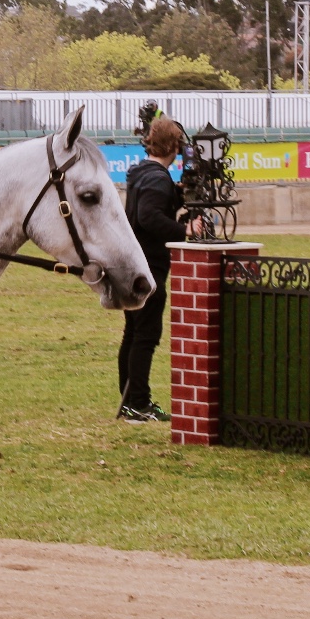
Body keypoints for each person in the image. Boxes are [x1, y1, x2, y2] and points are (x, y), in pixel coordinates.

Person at [118, 115, 185, 423]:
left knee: (133, 334)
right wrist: (186, 232)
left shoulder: (142, 173)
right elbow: (149, 217)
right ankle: (139, 404)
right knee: (145, 336)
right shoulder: (158, 178)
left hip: (132, 265)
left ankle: (128, 400)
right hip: (149, 268)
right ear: (172, 145)